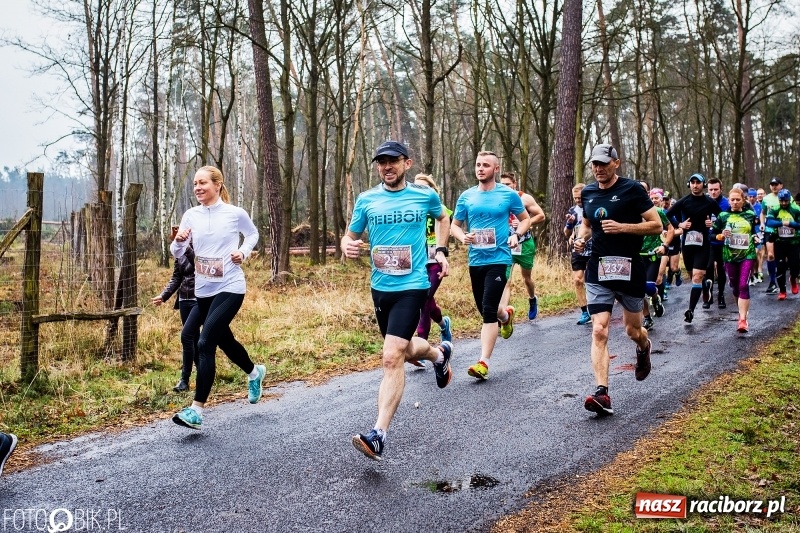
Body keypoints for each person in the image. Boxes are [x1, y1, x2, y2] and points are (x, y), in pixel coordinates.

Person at [342, 141, 453, 460]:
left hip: (413, 284)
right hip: (380, 287)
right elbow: (351, 235)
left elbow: (444, 218)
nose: (386, 166)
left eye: (392, 161)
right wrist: (347, 244)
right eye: (381, 162)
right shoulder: (366, 200)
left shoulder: (424, 195)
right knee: (403, 351)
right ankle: (438, 354)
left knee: (391, 357)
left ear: (407, 163)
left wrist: (441, 251)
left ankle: (378, 434)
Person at [170, 166, 263, 430]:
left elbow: (253, 234)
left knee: (205, 342)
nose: (198, 188)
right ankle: (255, 373)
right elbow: (176, 252)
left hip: (231, 286)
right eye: (195, 184)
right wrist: (178, 240)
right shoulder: (191, 215)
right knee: (226, 341)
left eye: (203, 183)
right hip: (204, 289)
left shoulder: (234, 214)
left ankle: (196, 410)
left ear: (217, 185)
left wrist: (242, 252)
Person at [573, 143, 662, 416]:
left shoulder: (632, 189)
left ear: (616, 163)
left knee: (632, 331)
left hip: (630, 268)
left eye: (603, 163)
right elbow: (587, 224)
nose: (598, 169)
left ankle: (644, 347)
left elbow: (656, 224)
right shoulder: (587, 192)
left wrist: (623, 227)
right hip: (598, 268)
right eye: (594, 164)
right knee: (599, 329)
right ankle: (603, 393)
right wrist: (580, 238)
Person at [451, 151, 530, 381]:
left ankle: (483, 362)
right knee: (488, 309)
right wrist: (461, 236)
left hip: (500, 258)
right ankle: (505, 316)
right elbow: (455, 225)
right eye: (478, 165)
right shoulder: (466, 197)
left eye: (486, 165)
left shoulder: (508, 194)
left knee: (487, 311)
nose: (480, 168)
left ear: (496, 169)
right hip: (476, 260)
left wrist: (516, 234)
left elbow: (524, 219)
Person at [665, 173, 722, 323]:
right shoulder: (684, 201)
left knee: (697, 276)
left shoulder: (709, 202)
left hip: (703, 244)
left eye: (698, 182)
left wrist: (714, 225)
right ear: (689, 184)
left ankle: (690, 310)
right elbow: (667, 215)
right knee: (693, 277)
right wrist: (680, 224)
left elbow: (723, 218)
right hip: (688, 245)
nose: (695, 185)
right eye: (692, 182)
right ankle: (706, 287)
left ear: (703, 185)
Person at [152, 226, 200, 392]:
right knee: (194, 339)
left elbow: (198, 264)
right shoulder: (180, 251)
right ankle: (204, 374)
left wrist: (184, 247)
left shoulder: (200, 246)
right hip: (184, 299)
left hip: (200, 299)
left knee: (186, 336)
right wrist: (164, 296)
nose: (180, 234)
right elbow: (177, 277)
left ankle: (184, 380)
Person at [412, 173, 453, 350]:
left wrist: (440, 251)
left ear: (432, 190)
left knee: (425, 297)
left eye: (424, 187)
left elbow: (444, 226)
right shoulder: (411, 209)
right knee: (426, 299)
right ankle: (444, 324)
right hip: (417, 261)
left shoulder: (439, 208)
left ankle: (422, 345)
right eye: (416, 187)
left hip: (435, 259)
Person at [498, 172, 546, 321]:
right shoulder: (497, 199)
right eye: (502, 184)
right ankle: (504, 317)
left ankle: (532, 298)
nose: (504, 187)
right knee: (506, 280)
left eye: (507, 184)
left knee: (527, 278)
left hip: (524, 243)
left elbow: (541, 215)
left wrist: (525, 222)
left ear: (514, 184)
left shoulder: (524, 198)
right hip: (506, 245)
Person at [711, 188, 758, 332]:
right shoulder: (723, 216)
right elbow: (711, 235)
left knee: (743, 285)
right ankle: (741, 311)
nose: (735, 202)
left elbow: (754, 231)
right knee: (735, 287)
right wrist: (720, 236)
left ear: (743, 200)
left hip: (747, 255)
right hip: (729, 256)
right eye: (732, 200)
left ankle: (743, 320)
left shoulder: (750, 214)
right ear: (729, 201)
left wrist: (755, 237)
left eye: (738, 199)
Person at [639, 188, 673, 330]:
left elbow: (670, 228)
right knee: (638, 291)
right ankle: (647, 318)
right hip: (636, 256)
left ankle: (655, 298)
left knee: (649, 287)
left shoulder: (657, 212)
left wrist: (664, 245)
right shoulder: (627, 213)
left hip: (652, 254)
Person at [765, 188, 800, 300]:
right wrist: (781, 223)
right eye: (781, 201)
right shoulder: (775, 209)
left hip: (793, 242)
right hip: (779, 242)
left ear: (789, 200)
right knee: (780, 266)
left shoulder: (796, 209)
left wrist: (790, 223)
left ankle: (793, 279)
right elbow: (769, 222)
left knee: (794, 266)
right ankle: (782, 290)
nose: (784, 203)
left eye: (786, 201)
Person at [564, 183, 592, 325]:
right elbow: (566, 233)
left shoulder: (593, 207)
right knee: (577, 280)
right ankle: (584, 312)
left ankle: (598, 307)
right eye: (575, 198)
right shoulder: (572, 211)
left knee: (594, 280)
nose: (578, 200)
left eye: (580, 197)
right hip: (578, 249)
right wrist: (569, 225)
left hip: (594, 249)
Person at [760, 177, 791, 294]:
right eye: (772, 184)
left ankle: (783, 279)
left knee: (784, 257)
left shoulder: (789, 197)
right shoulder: (766, 199)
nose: (774, 186)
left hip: (784, 230)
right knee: (771, 255)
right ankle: (772, 282)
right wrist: (762, 223)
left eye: (776, 184)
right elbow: (762, 213)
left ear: (781, 185)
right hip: (770, 229)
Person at [703, 177, 730, 309]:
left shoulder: (727, 204)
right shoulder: (703, 202)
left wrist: (715, 224)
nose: (713, 192)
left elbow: (730, 222)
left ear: (721, 189)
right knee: (708, 268)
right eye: (710, 190)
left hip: (722, 241)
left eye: (716, 190)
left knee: (720, 269)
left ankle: (721, 296)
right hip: (708, 241)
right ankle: (709, 297)